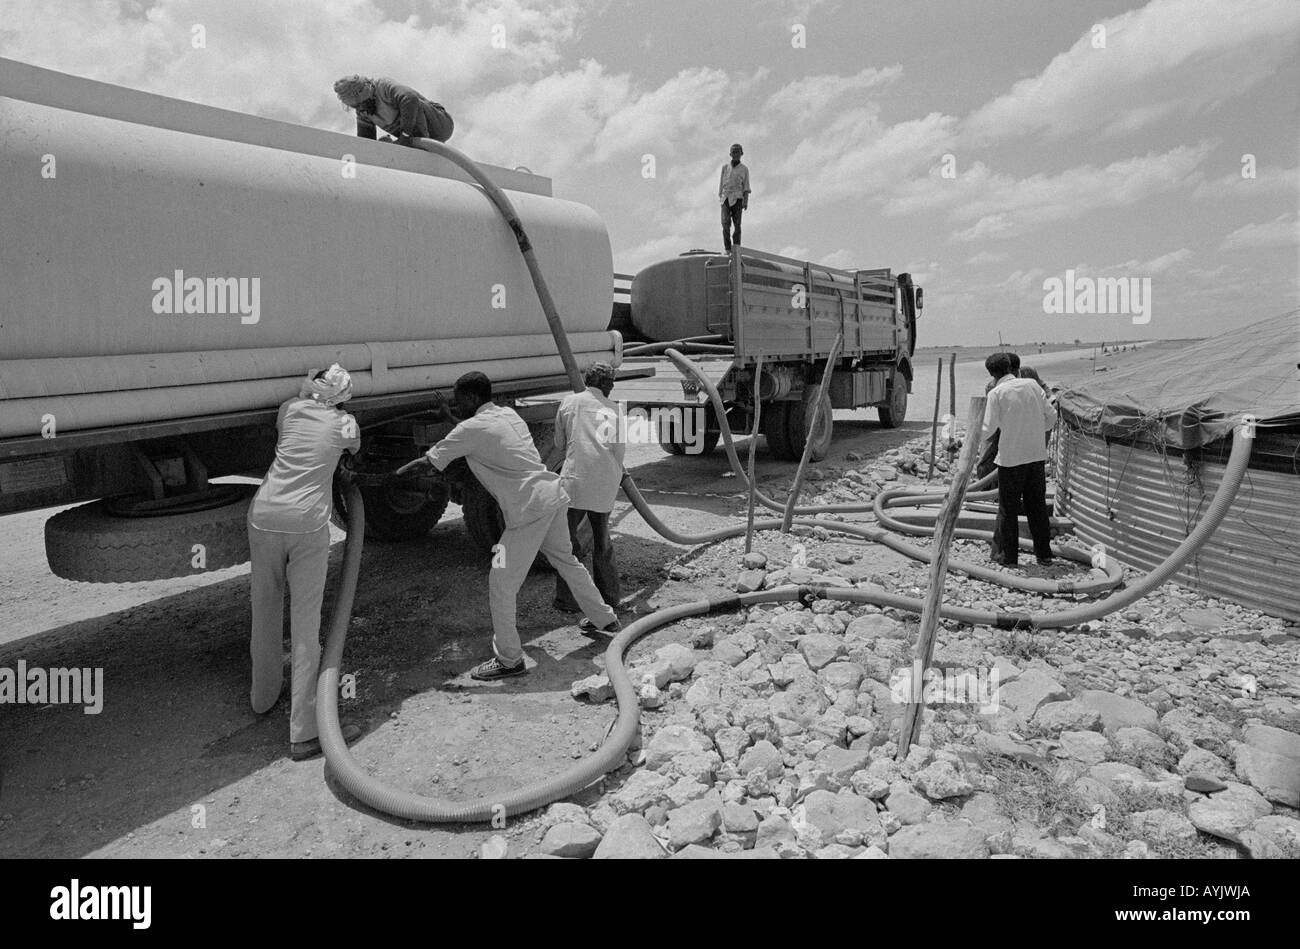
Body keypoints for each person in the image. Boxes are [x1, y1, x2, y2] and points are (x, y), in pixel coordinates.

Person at [396, 372, 619, 681]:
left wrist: (385, 479)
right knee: (566, 560)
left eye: (459, 402)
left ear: (473, 400)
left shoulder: (471, 427)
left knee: (500, 581)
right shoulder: (505, 414)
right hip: (552, 497)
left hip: (528, 512)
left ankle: (509, 660)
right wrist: (452, 418)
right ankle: (604, 619)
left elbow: (429, 463)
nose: (457, 407)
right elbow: (477, 434)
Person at [248, 364, 363, 761]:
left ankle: (262, 698)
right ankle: (304, 733)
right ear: (344, 397)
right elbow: (351, 453)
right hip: (306, 524)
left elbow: (296, 417)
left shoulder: (288, 410)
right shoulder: (345, 424)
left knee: (264, 607)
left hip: (263, 515)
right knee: (305, 627)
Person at [547, 363, 625, 613]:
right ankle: (609, 598)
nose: (612, 386)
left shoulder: (569, 403)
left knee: (568, 543)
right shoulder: (613, 409)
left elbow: (559, 444)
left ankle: (568, 601)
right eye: (611, 382)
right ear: (605, 384)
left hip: (574, 481)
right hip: (603, 482)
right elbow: (618, 452)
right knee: (602, 541)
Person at [981, 352, 1057, 567]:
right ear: (1011, 367)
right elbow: (1051, 417)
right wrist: (1034, 431)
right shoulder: (1033, 385)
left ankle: (1009, 558)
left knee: (1008, 509)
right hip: (1035, 458)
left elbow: (987, 429)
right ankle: (1044, 556)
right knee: (1037, 507)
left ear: (992, 374)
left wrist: (969, 438)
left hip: (1010, 460)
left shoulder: (996, 393)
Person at [333, 75, 454, 145]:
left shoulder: (383, 86)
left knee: (411, 103)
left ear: (364, 91)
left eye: (361, 103)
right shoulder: (363, 111)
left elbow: (409, 98)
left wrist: (405, 136)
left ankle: (416, 143)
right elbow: (366, 142)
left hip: (440, 124)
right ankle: (412, 142)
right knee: (385, 144)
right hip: (418, 137)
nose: (360, 108)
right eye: (356, 106)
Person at [718, 143, 750, 252]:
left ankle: (736, 247)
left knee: (737, 225)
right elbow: (722, 183)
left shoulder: (744, 169)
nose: (735, 154)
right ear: (730, 154)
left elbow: (746, 186)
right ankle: (727, 248)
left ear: (741, 154)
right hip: (726, 197)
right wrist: (721, 197)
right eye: (734, 152)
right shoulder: (725, 167)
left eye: (738, 152)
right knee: (725, 223)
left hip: (738, 198)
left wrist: (745, 201)